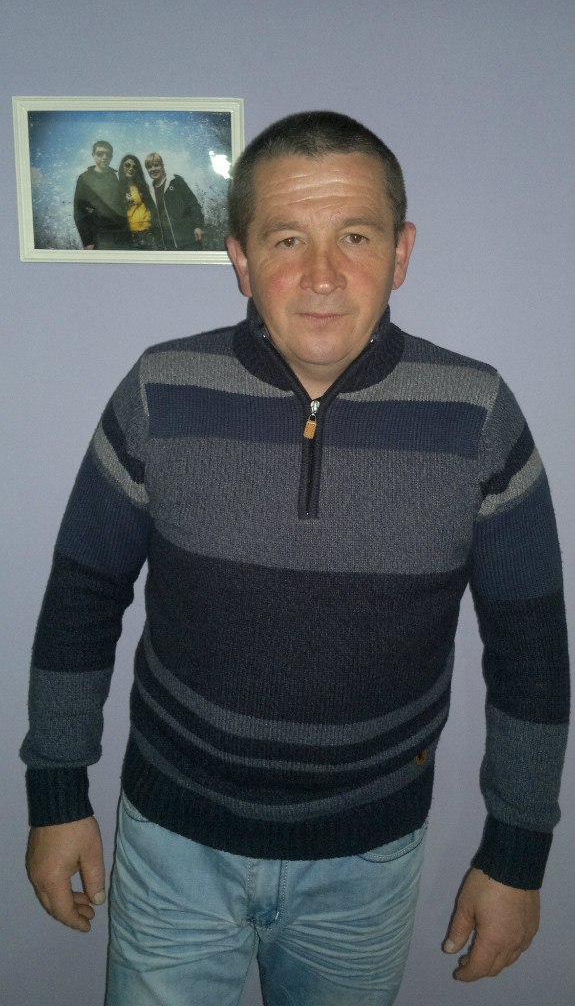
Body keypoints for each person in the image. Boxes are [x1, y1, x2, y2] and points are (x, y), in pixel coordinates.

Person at [23, 111, 569, 1006]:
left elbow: (532, 658)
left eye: (355, 236)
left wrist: (516, 855)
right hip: (171, 842)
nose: (321, 275)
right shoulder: (159, 390)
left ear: (400, 253)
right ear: (241, 259)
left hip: (367, 864)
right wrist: (57, 792)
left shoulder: (477, 414)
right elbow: (81, 600)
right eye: (286, 239)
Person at [73, 140, 129, 250]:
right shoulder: (84, 179)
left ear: (111, 157)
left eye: (108, 154)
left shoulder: (115, 176)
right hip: (100, 236)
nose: (104, 157)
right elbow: (79, 211)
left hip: (122, 234)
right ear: (93, 155)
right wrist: (87, 241)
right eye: (100, 154)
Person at [144, 151, 205, 250]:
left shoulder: (176, 181)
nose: (153, 169)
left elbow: (193, 204)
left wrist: (198, 226)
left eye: (156, 165)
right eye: (149, 167)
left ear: (162, 166)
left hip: (188, 240)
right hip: (167, 246)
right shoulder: (149, 191)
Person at [118, 153, 158, 250]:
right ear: (122, 167)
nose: (131, 168)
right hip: (131, 236)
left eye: (134, 167)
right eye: (127, 165)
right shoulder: (118, 189)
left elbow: (152, 209)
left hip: (148, 233)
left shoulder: (142, 187)